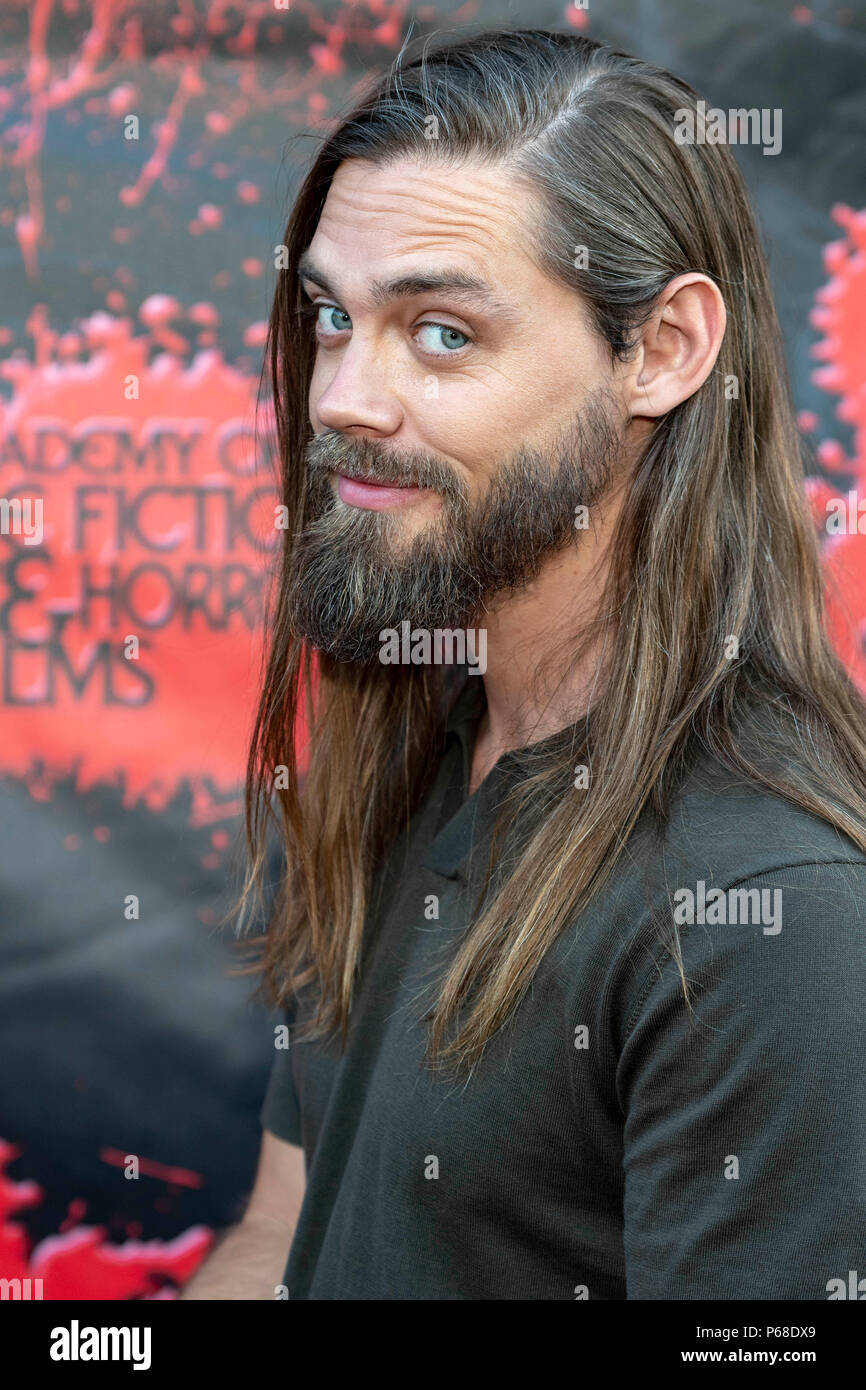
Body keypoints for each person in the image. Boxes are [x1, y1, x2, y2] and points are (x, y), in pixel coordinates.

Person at [181, 28, 866, 1301]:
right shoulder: (402, 752)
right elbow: (284, 1239)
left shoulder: (773, 911)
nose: (342, 397)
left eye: (440, 332)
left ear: (661, 351)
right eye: (334, 316)